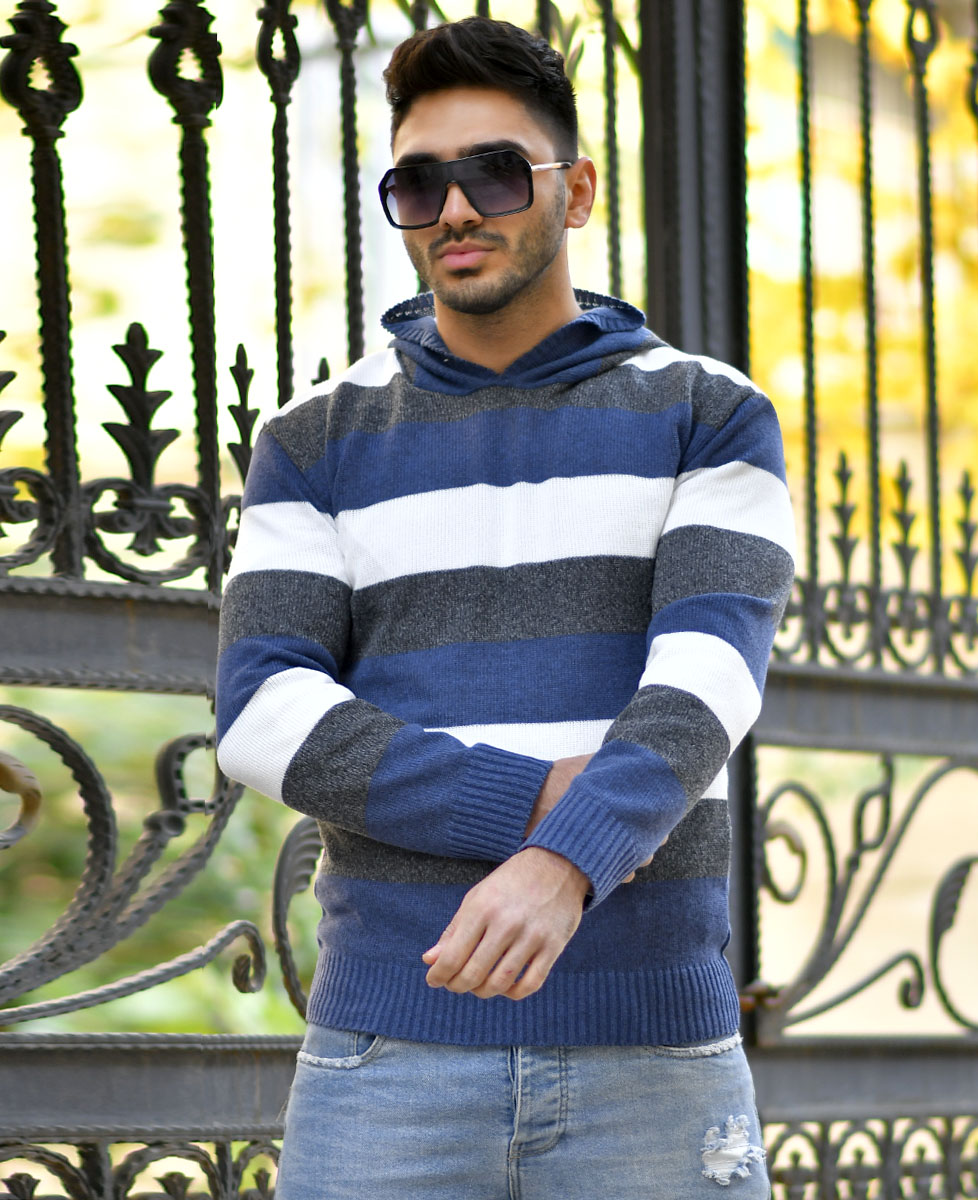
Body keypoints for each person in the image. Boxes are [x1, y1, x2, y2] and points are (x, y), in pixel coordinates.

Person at [216, 15, 794, 1198]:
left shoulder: (708, 414)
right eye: (418, 184)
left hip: (653, 1058)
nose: (455, 211)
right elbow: (264, 713)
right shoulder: (314, 439)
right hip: (386, 1055)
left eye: (493, 173)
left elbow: (705, 684)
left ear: (575, 191)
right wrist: (536, 803)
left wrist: (562, 865)